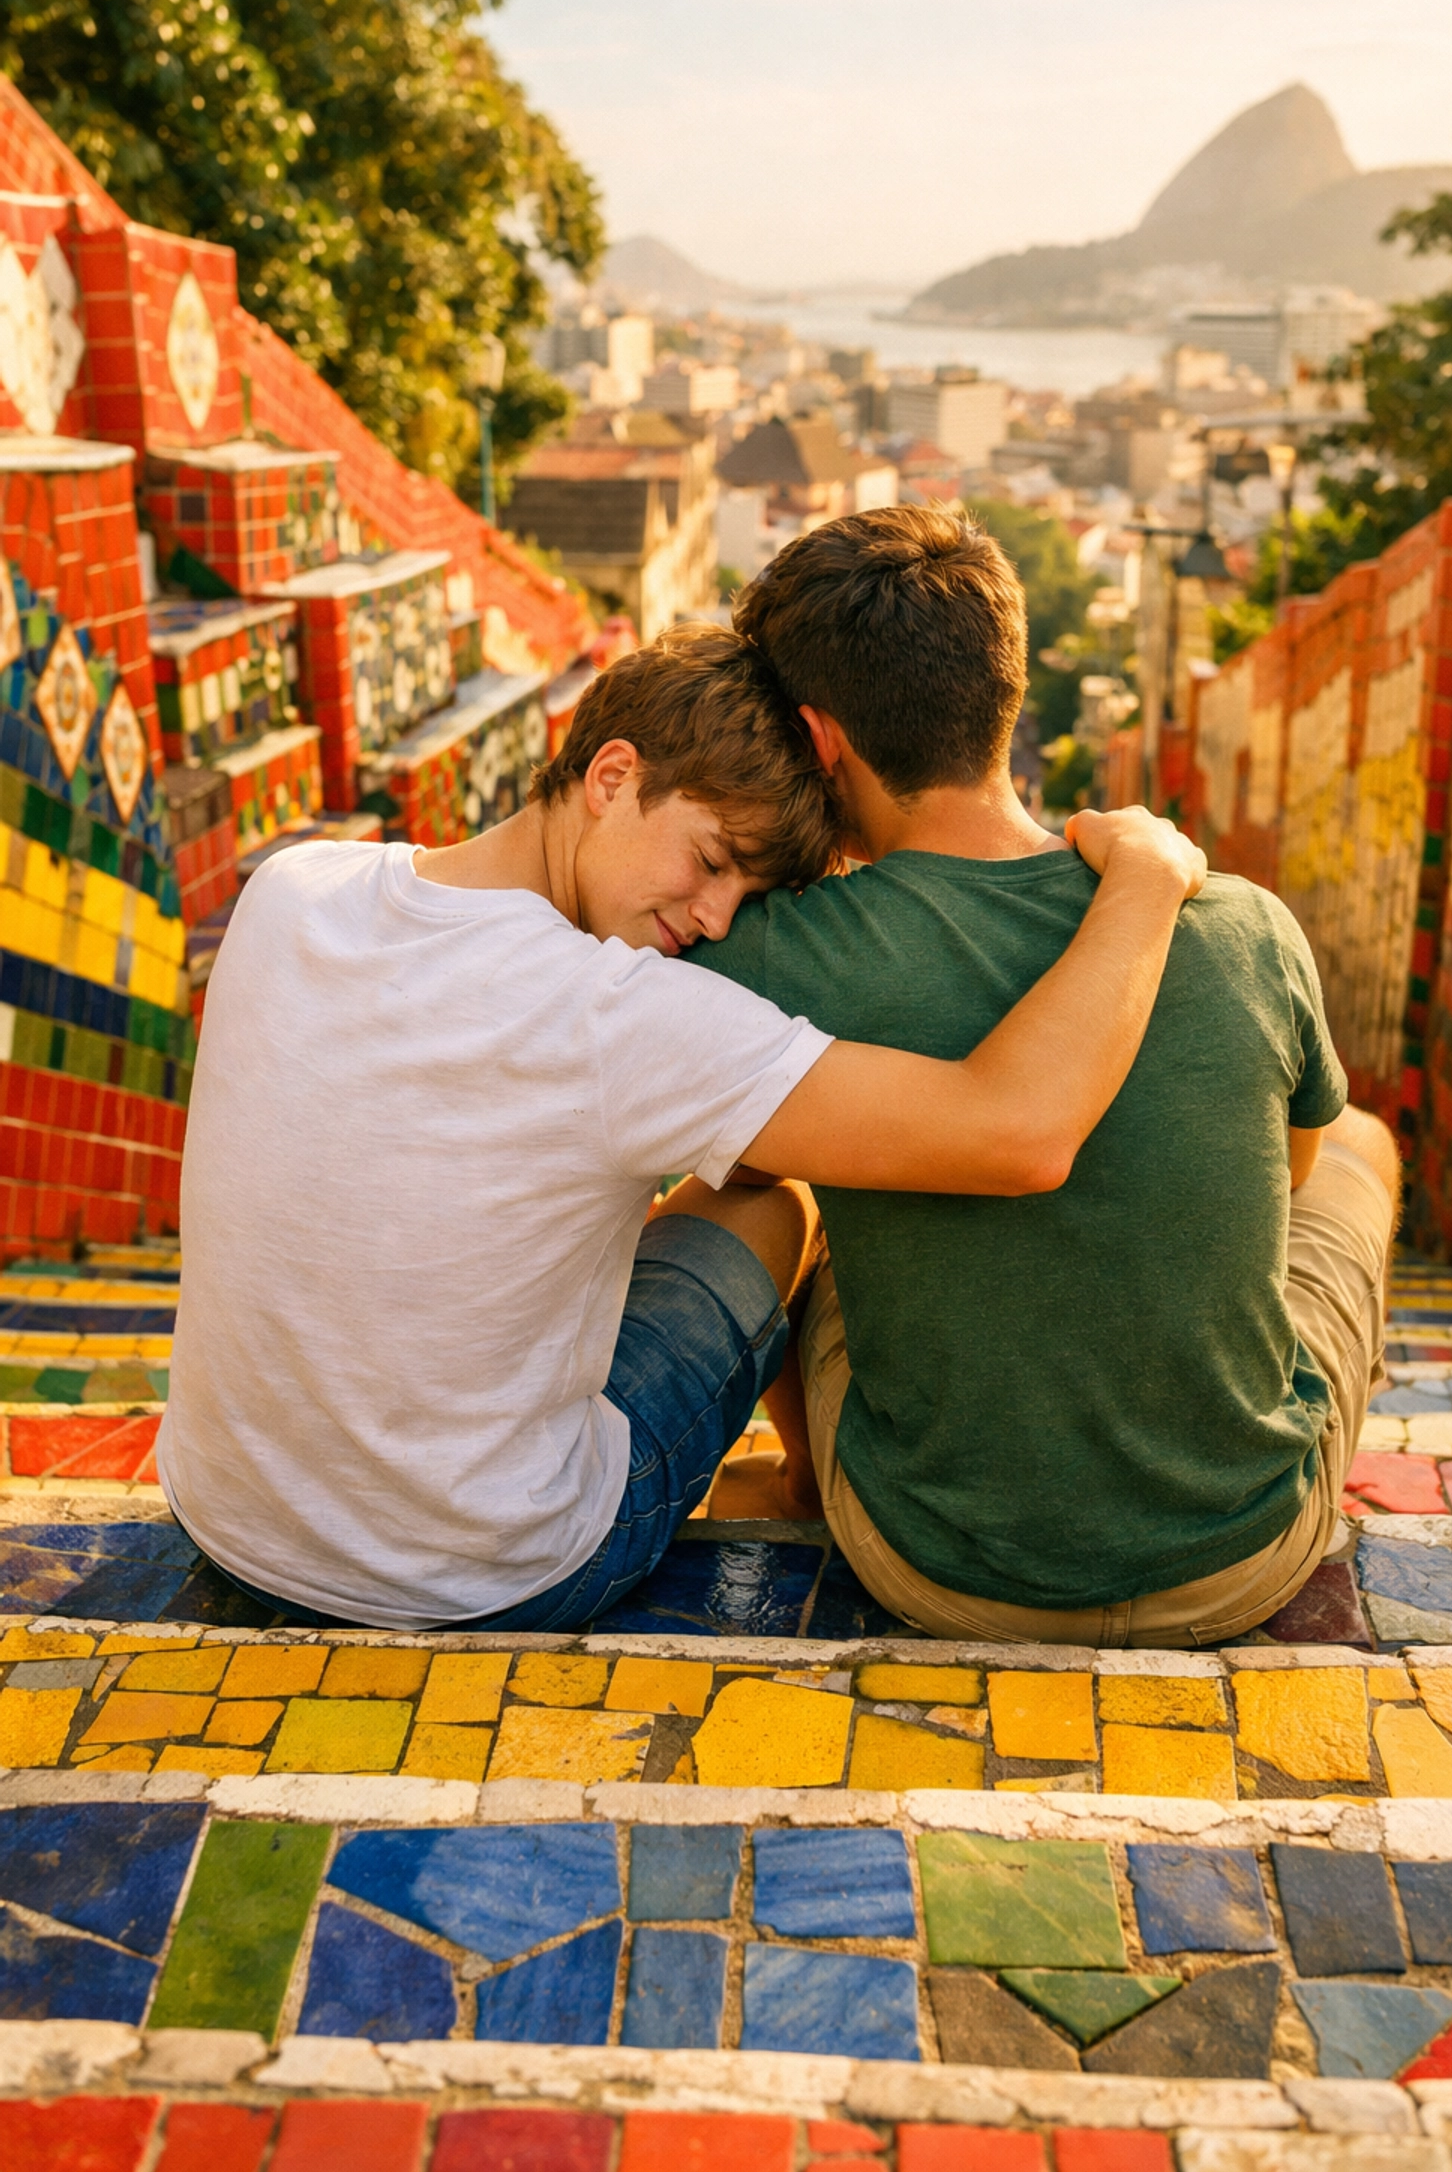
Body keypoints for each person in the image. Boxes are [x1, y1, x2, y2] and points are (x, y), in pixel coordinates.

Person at [157, 627, 1204, 1631]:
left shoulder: (293, 886)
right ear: (612, 777)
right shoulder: (617, 1015)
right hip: (494, 1572)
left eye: (745, 894)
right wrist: (1149, 880)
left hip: (231, 1521)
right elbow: (1016, 1133)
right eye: (712, 859)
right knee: (776, 1190)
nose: (711, 918)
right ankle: (800, 1485)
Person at [688, 507, 1397, 1646]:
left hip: (931, 1564)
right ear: (1003, 698)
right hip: (1243, 1557)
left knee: (775, 1184)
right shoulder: (1243, 926)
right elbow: (1293, 1174)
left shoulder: (770, 953)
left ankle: (810, 1482)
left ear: (819, 742)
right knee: (1360, 1145)